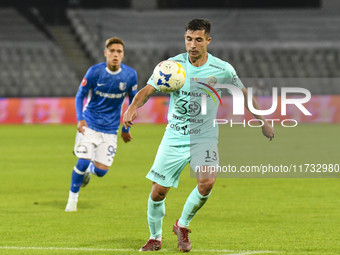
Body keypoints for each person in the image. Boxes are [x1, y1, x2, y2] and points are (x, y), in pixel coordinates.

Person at [123, 19, 274, 252]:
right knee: (158, 191)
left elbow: (244, 94)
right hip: (175, 135)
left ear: (208, 41)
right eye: (188, 39)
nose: (192, 44)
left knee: (207, 183)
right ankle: (155, 237)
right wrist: (133, 106)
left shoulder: (222, 69)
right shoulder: (171, 66)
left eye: (198, 40)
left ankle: (182, 225)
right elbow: (147, 90)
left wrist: (262, 121)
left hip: (204, 136)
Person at [65, 37, 138, 212]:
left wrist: (125, 128)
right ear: (105, 53)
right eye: (112, 51)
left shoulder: (130, 75)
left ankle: (91, 170)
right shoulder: (94, 72)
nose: (115, 54)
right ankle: (72, 201)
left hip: (110, 130)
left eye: (119, 51)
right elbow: (79, 95)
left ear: (123, 55)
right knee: (82, 160)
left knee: (101, 171)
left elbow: (132, 102)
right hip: (89, 124)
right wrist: (80, 118)